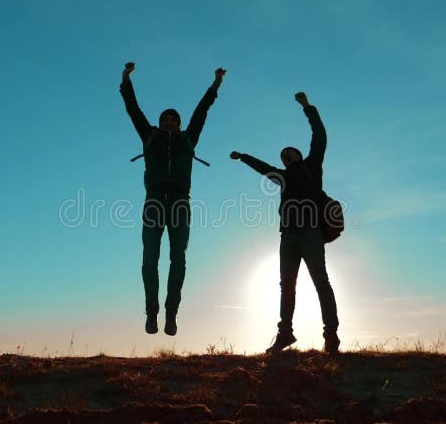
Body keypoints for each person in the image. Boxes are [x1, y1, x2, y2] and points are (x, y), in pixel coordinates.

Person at [230, 91, 340, 354]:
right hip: (288, 236)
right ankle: (285, 335)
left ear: (299, 155)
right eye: (282, 156)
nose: (286, 156)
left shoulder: (312, 165)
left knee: (321, 282)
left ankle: (331, 337)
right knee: (286, 287)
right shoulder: (281, 177)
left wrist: (307, 107)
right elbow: (262, 167)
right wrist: (244, 157)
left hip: (311, 234)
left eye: (289, 153)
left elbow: (320, 137)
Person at [120, 62, 225, 336]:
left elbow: (201, 112)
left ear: (179, 123)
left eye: (173, 118)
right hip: (154, 201)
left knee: (178, 259)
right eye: (165, 117)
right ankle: (151, 313)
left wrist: (215, 85)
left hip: (180, 203)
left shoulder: (188, 138)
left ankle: (171, 313)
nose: (169, 120)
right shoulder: (149, 136)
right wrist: (125, 80)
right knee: (149, 260)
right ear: (159, 121)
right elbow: (133, 110)